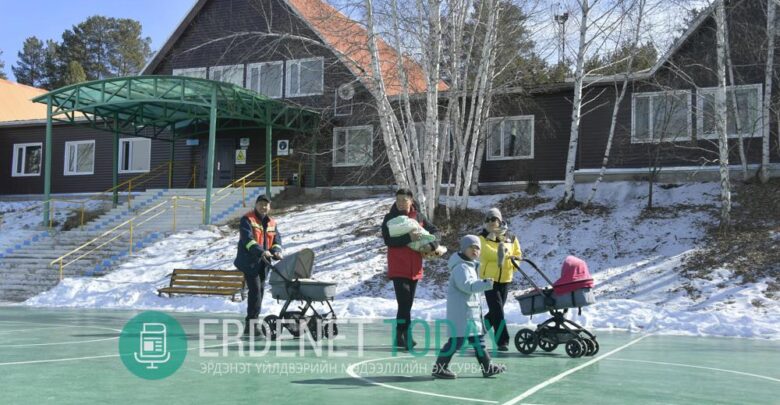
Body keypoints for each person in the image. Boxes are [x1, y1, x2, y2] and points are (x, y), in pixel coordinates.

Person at [431, 235, 507, 379]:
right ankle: (439, 368)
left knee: (479, 341)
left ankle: (487, 367)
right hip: (461, 313)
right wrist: (485, 283)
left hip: (469, 312)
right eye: (471, 247)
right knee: (456, 341)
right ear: (463, 248)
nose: (475, 250)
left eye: (477, 248)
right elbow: (467, 286)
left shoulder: (470, 266)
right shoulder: (461, 267)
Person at [381, 188, 440, 350]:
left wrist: (432, 245)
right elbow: (388, 240)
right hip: (398, 266)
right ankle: (406, 336)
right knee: (404, 302)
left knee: (406, 305)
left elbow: (435, 231)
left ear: (411, 201)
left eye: (404, 200)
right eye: (398, 200)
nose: (400, 203)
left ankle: (399, 336)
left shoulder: (419, 216)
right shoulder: (390, 218)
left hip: (415, 267)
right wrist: (408, 237)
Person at [234, 195, 283, 337]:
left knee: (260, 291)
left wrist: (276, 251)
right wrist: (261, 251)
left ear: (270, 207)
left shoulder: (272, 223)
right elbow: (248, 240)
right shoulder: (247, 219)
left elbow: (277, 240)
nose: (263, 207)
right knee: (255, 291)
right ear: (256, 205)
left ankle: (252, 323)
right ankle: (251, 325)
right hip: (249, 262)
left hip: (264, 263)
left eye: (266, 205)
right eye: (261, 204)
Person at [479, 207, 522, 351]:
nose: (491, 222)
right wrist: (503, 254)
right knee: (497, 310)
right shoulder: (482, 237)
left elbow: (518, 254)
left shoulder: (511, 237)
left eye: (494, 219)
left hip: (506, 278)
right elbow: (486, 253)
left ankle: (477, 332)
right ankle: (502, 341)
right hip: (489, 279)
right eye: (488, 219)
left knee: (496, 311)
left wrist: (513, 266)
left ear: (500, 220)